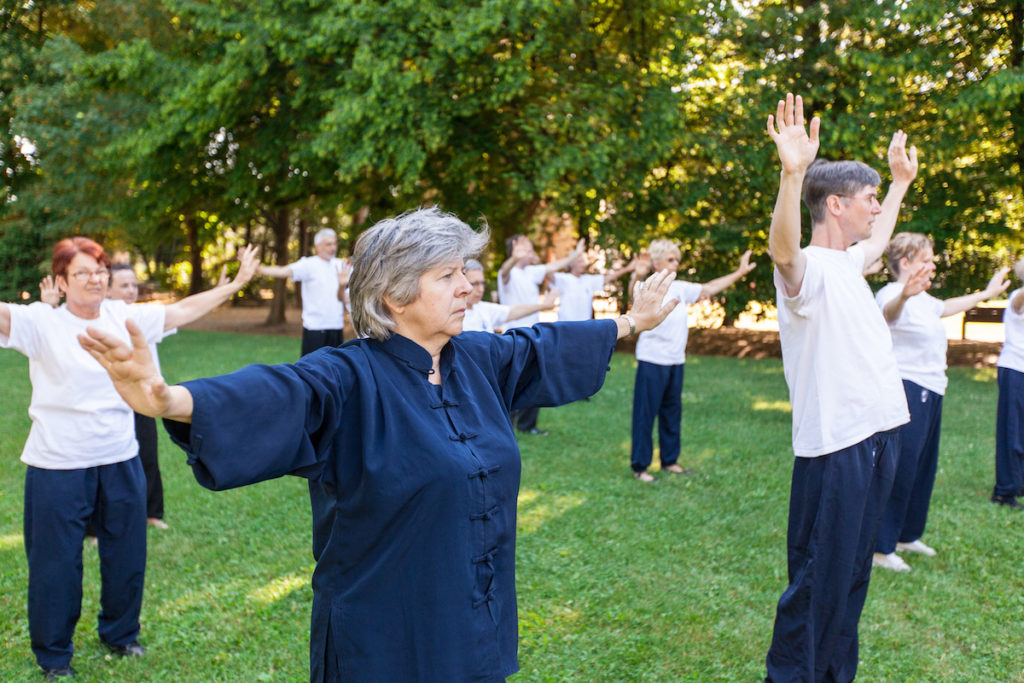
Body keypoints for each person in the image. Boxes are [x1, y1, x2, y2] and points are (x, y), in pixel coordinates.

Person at [78, 207, 679, 683]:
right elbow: (280, 393)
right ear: (394, 296)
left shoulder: (477, 358)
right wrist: (167, 401)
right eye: (448, 275)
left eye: (466, 271)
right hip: (385, 643)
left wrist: (631, 323)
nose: (469, 286)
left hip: (473, 624)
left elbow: (545, 348)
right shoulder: (346, 378)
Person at [0, 237, 257, 680]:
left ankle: (120, 634)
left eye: (99, 271)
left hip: (119, 458)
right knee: (55, 563)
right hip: (57, 464)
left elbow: (181, 311)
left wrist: (236, 283)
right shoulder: (41, 321)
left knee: (126, 555)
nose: (95, 279)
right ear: (61, 281)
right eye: (82, 273)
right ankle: (54, 654)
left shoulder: (124, 315)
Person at [764, 93, 917, 682]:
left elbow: (877, 244)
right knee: (817, 579)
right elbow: (781, 250)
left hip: (880, 436)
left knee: (853, 574)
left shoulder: (851, 263)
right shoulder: (803, 267)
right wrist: (791, 172)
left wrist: (900, 182)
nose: (876, 209)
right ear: (835, 204)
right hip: (836, 448)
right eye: (870, 199)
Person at [873, 233, 1011, 571]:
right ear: (905, 263)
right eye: (926, 259)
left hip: (933, 388)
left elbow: (946, 308)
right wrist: (904, 295)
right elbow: (888, 316)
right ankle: (880, 547)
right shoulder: (892, 293)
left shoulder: (924, 299)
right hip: (907, 387)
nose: (933, 264)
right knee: (903, 467)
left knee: (922, 466)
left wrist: (989, 293)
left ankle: (907, 534)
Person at [628, 239, 755, 482]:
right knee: (645, 414)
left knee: (672, 413)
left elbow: (708, 288)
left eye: (677, 260)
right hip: (652, 360)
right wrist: (636, 275)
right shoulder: (647, 285)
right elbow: (634, 291)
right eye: (670, 259)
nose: (676, 264)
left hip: (676, 361)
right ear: (656, 263)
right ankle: (640, 467)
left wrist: (739, 273)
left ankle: (670, 461)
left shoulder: (679, 287)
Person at [498, 234, 586, 434]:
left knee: (535, 380)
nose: (531, 252)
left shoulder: (531, 272)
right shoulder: (508, 273)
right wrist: (514, 258)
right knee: (512, 383)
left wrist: (577, 254)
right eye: (527, 248)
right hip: (512, 337)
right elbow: (504, 271)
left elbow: (556, 265)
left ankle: (528, 425)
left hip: (533, 335)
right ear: (515, 248)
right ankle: (506, 427)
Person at [257, 228, 352, 356]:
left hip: (336, 328)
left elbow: (351, 294)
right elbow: (282, 271)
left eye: (334, 243)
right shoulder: (308, 264)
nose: (333, 247)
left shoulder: (342, 265)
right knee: (311, 372)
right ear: (318, 247)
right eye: (328, 244)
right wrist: (257, 268)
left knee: (336, 372)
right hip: (315, 329)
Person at [993, 258, 1024, 510]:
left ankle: (1019, 482)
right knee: (1012, 432)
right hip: (1015, 369)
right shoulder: (1018, 297)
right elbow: (1017, 304)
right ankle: (1005, 491)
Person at [462, 259, 558, 333]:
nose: (481, 289)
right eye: (475, 284)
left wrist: (543, 306)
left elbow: (513, 311)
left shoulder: (483, 308)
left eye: (483, 283)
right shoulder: (453, 316)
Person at [552, 254, 638, 322]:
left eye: (583, 261)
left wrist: (627, 269)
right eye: (580, 262)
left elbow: (610, 277)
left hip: (584, 328)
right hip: (565, 328)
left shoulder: (588, 279)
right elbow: (547, 270)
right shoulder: (562, 279)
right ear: (572, 263)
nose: (584, 264)